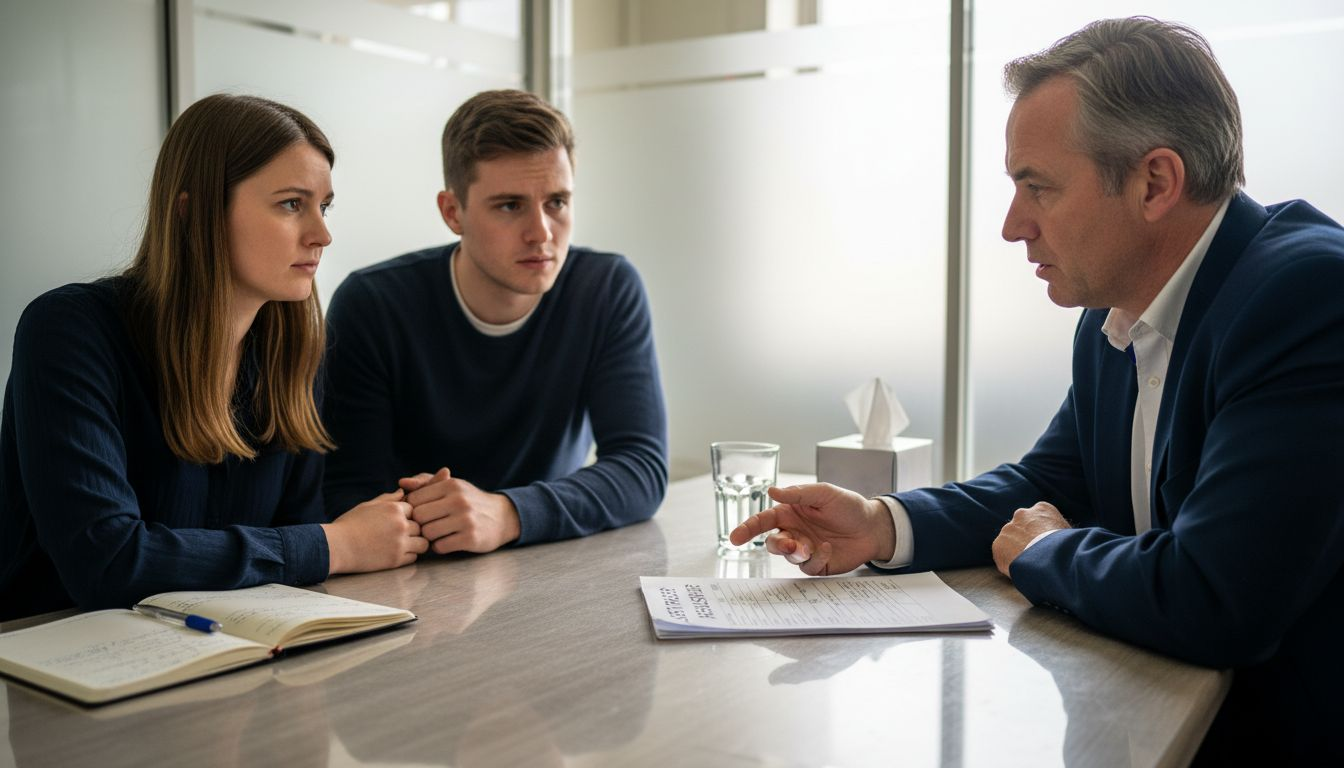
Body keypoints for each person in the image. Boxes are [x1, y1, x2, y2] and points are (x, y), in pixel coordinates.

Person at [731, 17, 1344, 762]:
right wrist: (882, 525)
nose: (1012, 225)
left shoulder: (1308, 296)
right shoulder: (1115, 311)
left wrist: (1049, 552)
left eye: (1038, 187)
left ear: (1155, 182)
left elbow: (1218, 598)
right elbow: (1051, 481)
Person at [0, 94, 428, 622]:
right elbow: (107, 563)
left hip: (220, 654)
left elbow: (291, 554)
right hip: (54, 662)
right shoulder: (69, 331)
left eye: (324, 206)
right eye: (292, 204)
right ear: (194, 210)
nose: (322, 235)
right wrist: (336, 544)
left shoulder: (293, 354)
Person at [322, 89, 668, 555]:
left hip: (546, 560)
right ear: (452, 212)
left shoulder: (605, 288)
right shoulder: (373, 304)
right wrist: (453, 519)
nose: (542, 232)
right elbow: (349, 496)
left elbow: (640, 469)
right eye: (510, 205)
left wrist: (507, 513)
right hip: (412, 581)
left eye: (557, 202)